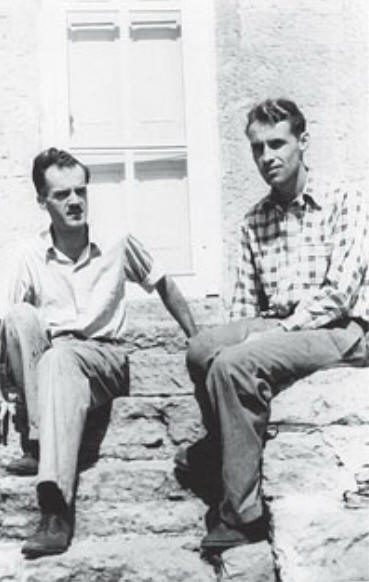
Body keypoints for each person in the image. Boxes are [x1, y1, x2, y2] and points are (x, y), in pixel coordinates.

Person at [178, 98, 369, 555]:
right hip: (284, 326)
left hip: (342, 329)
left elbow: (340, 292)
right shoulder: (255, 220)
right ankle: (227, 447)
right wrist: (253, 335)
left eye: (278, 144)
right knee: (203, 350)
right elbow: (245, 308)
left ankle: (242, 515)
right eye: (258, 148)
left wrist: (275, 336)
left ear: (302, 142)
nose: (268, 157)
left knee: (234, 366)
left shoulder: (347, 198)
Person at [0, 147, 198, 558]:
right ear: (42, 202)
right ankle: (39, 435)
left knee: (60, 358)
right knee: (18, 315)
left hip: (103, 357)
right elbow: (8, 332)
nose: (74, 201)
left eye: (80, 191)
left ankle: (56, 510)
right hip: (53, 361)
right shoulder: (28, 255)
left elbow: (164, 284)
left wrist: (196, 338)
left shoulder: (117, 243)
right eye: (61, 195)